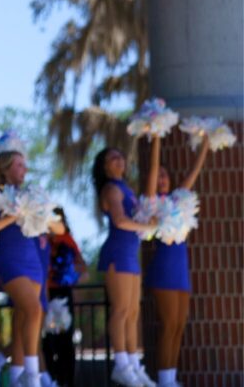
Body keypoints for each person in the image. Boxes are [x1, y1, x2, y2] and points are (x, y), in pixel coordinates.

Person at [144, 135, 210, 387]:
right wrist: (157, 136)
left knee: (179, 326)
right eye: (157, 175)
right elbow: (151, 171)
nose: (161, 179)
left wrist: (205, 145)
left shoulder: (177, 201)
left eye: (164, 175)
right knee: (168, 324)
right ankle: (163, 381)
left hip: (181, 269)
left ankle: (171, 379)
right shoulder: (152, 204)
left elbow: (194, 173)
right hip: (163, 268)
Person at [93, 141, 159, 387]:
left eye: (120, 156)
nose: (119, 160)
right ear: (104, 167)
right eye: (112, 158)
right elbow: (120, 221)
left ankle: (133, 364)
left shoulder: (126, 188)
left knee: (133, 313)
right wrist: (147, 226)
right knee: (121, 310)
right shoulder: (111, 189)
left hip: (131, 254)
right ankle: (120, 365)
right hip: (117, 253)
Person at [0, 147, 45, 387]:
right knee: (35, 310)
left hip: (33, 261)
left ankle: (17, 379)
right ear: (4, 170)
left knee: (22, 321)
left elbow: (48, 225)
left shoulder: (29, 195)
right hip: (10, 260)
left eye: (24, 165)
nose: (24, 169)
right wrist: (13, 216)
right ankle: (32, 376)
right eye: (18, 164)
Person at [42, 208, 87, 387]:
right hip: (45, 294)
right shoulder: (42, 241)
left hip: (63, 295)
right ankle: (50, 380)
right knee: (47, 340)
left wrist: (72, 279)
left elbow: (83, 268)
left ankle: (66, 381)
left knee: (65, 341)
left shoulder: (68, 241)